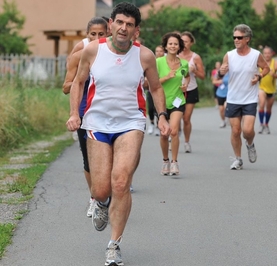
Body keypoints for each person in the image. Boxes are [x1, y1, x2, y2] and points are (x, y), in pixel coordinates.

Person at [66, 3, 170, 265]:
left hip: (130, 123)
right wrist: (75, 115)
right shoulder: (92, 50)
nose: (124, 28)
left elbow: (156, 88)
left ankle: (114, 244)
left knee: (121, 182)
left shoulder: (144, 56)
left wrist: (162, 116)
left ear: (136, 30)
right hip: (97, 124)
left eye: (130, 24)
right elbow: (78, 82)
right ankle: (100, 203)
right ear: (110, 23)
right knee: (101, 190)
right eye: (120, 22)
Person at [62, 17, 108, 217]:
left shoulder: (116, 54)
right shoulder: (78, 56)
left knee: (110, 159)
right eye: (93, 34)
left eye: (101, 34)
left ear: (109, 34)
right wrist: (79, 83)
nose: (97, 38)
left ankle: (107, 196)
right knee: (89, 159)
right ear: (87, 35)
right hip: (85, 112)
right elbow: (66, 86)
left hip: (108, 112)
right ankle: (95, 198)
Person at [218, 24, 270, 170]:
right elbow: (221, 72)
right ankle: (238, 159)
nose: (236, 40)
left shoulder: (255, 55)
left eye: (239, 37)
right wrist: (221, 71)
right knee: (235, 131)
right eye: (234, 37)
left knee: (247, 131)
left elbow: (266, 68)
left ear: (247, 39)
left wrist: (259, 76)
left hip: (250, 98)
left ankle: (250, 144)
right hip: (233, 98)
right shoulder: (229, 55)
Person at [157, 32, 190, 176]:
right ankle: (165, 160)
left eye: (176, 44)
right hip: (161, 102)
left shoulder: (184, 63)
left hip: (178, 100)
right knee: (164, 134)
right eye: (170, 43)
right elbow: (150, 84)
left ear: (179, 47)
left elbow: (187, 77)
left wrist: (185, 86)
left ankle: (175, 162)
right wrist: (166, 77)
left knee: (174, 130)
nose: (173, 46)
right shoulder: (158, 62)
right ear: (165, 46)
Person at [179, 31, 205, 153]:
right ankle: (173, 137)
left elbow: (203, 76)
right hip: (176, 91)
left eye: (186, 41)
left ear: (191, 43)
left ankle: (186, 142)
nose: (183, 43)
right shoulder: (175, 55)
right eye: (182, 41)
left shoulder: (196, 57)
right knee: (175, 117)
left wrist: (194, 70)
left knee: (186, 118)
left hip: (191, 90)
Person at [257, 46, 277, 134]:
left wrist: (275, 75)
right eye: (265, 53)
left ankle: (266, 124)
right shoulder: (260, 62)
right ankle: (261, 125)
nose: (267, 55)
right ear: (263, 54)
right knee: (261, 104)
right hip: (262, 88)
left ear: (271, 54)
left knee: (268, 108)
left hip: (271, 89)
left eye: (269, 53)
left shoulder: (275, 63)